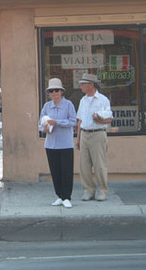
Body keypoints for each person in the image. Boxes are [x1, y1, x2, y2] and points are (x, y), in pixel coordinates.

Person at [38, 78, 76, 208]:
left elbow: (73, 122)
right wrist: (45, 128)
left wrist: (57, 122)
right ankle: (59, 195)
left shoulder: (68, 104)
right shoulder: (47, 106)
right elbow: (40, 123)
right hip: (51, 144)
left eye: (56, 90)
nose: (54, 93)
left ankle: (67, 197)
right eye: (51, 91)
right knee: (55, 171)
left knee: (66, 171)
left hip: (65, 144)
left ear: (61, 91)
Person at [76, 73, 113, 202]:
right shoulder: (83, 100)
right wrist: (78, 138)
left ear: (91, 85)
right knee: (84, 165)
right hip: (85, 133)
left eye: (83, 84)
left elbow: (109, 119)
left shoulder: (103, 100)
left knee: (99, 164)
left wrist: (99, 119)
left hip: (98, 133)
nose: (81, 86)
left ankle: (102, 190)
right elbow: (80, 120)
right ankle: (88, 190)